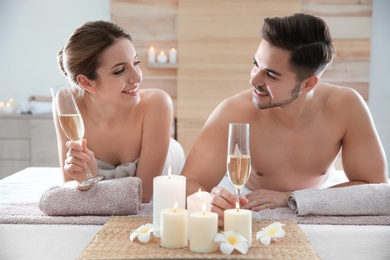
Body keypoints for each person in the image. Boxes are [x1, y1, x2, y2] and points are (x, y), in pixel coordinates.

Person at [181, 13, 388, 225]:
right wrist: (207, 201)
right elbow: (188, 183)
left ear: (308, 84)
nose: (254, 79)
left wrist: (289, 197)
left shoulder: (345, 106)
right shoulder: (234, 111)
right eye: (255, 64)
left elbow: (375, 190)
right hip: (247, 197)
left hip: (320, 193)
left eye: (270, 75)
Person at [53, 20, 175, 202]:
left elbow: (144, 196)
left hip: (168, 159)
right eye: (120, 71)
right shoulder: (68, 104)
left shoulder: (157, 103)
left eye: (136, 62)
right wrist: (85, 179)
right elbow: (70, 184)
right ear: (86, 83)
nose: (137, 76)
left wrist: (93, 185)